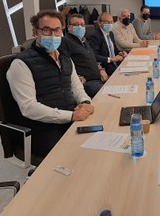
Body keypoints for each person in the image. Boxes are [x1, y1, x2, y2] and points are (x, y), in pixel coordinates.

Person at [7, 10, 95, 158]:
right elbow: (28, 107)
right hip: (43, 129)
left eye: (57, 30)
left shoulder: (65, 58)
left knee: (97, 145)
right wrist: (71, 115)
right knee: (76, 157)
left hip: (69, 119)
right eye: (46, 30)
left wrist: (85, 101)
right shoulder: (21, 64)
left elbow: (77, 87)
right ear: (36, 32)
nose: (53, 35)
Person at [62, 13, 108, 98]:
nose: (80, 27)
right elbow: (65, 65)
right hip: (88, 83)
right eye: (76, 25)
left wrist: (101, 69)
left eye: (82, 25)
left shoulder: (83, 40)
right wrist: (79, 78)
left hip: (98, 78)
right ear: (69, 27)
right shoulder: (65, 42)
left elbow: (92, 58)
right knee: (110, 94)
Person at [87, 12, 126, 76]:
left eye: (111, 22)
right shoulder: (95, 36)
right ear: (99, 23)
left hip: (116, 63)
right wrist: (111, 59)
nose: (110, 24)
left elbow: (115, 50)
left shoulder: (110, 33)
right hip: (106, 67)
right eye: (107, 22)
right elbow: (94, 56)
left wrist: (121, 53)